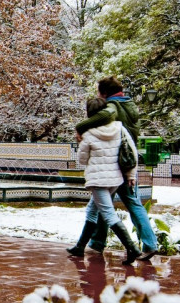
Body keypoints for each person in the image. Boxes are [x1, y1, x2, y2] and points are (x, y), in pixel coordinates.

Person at [73, 76, 157, 261]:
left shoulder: (111, 108)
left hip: (113, 163)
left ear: (104, 93)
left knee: (107, 206)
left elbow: (103, 116)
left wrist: (80, 127)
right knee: (118, 204)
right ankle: (98, 243)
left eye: (98, 91)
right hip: (127, 161)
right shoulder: (130, 105)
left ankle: (126, 246)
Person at [68, 97, 142, 265]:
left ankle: (132, 248)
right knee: (92, 210)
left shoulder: (88, 134)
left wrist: (81, 144)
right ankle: (80, 246)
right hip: (115, 179)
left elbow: (81, 159)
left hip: (98, 180)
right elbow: (131, 151)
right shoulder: (119, 128)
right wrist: (131, 175)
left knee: (108, 214)